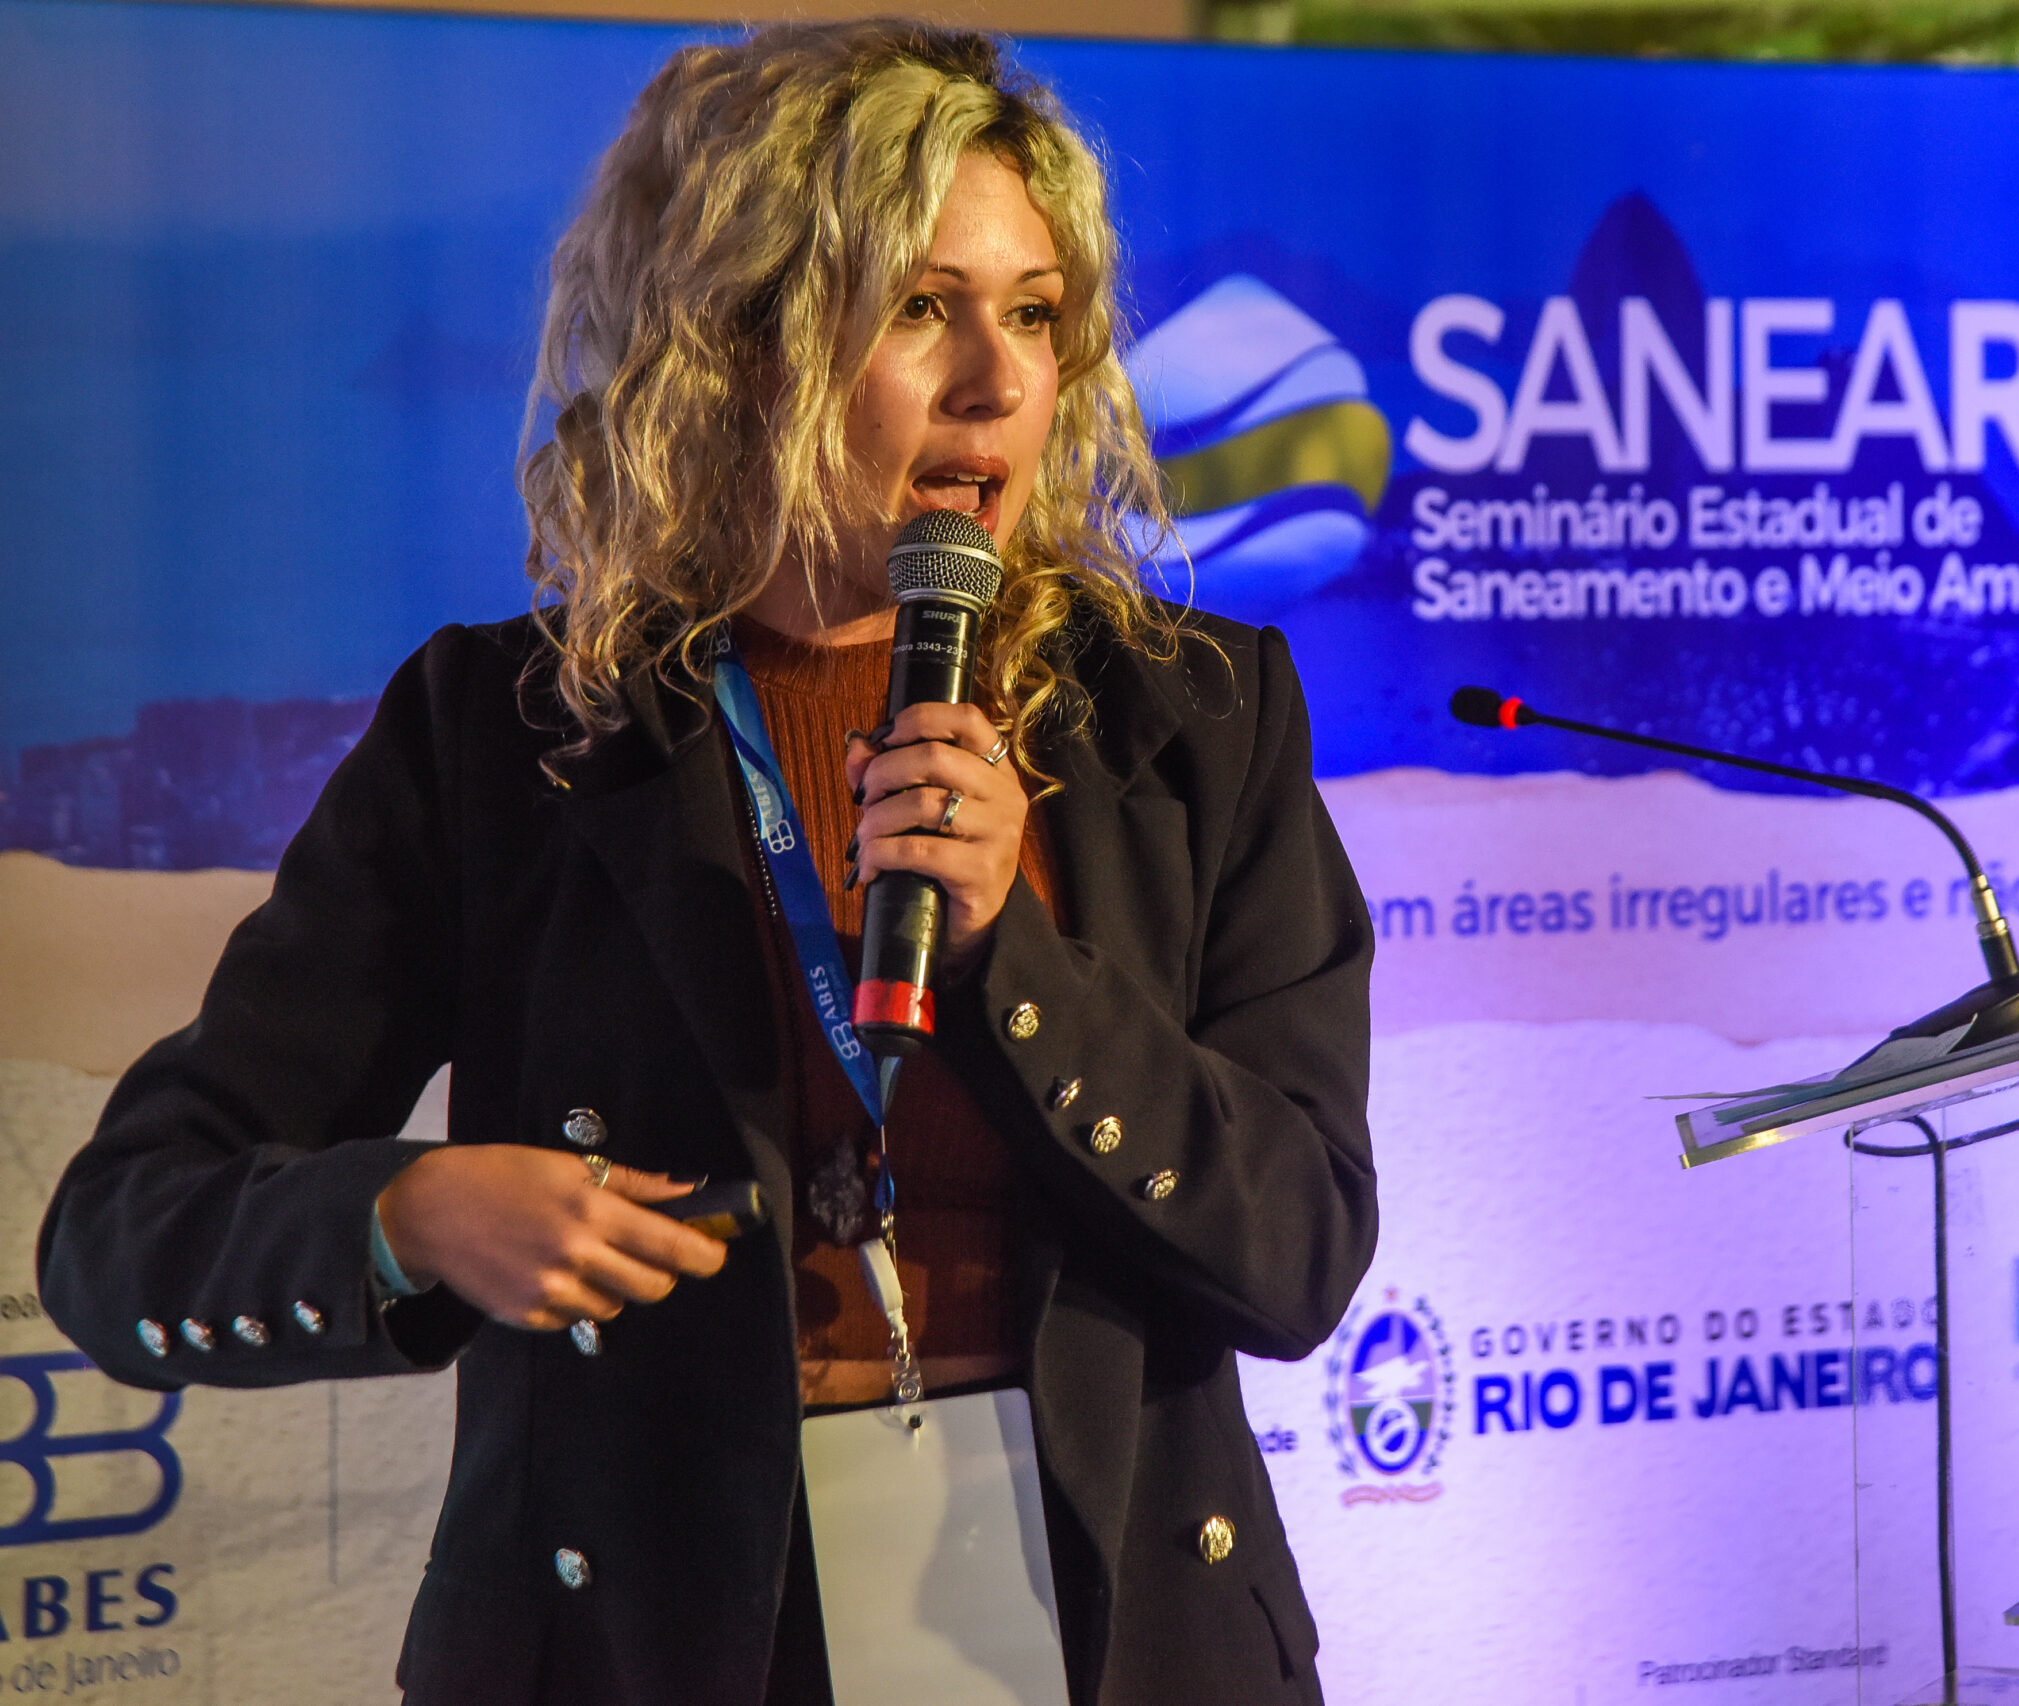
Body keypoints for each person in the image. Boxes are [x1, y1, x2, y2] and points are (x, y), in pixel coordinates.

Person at [37, 23, 1376, 1706]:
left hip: (1115, 1636)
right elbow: (124, 1231)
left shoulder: (1195, 719)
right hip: (660, 1643)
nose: (998, 380)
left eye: (1035, 313)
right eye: (920, 307)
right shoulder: (501, 737)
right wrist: (407, 1214)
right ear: (739, 346)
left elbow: (1301, 1246)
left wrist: (1011, 959)